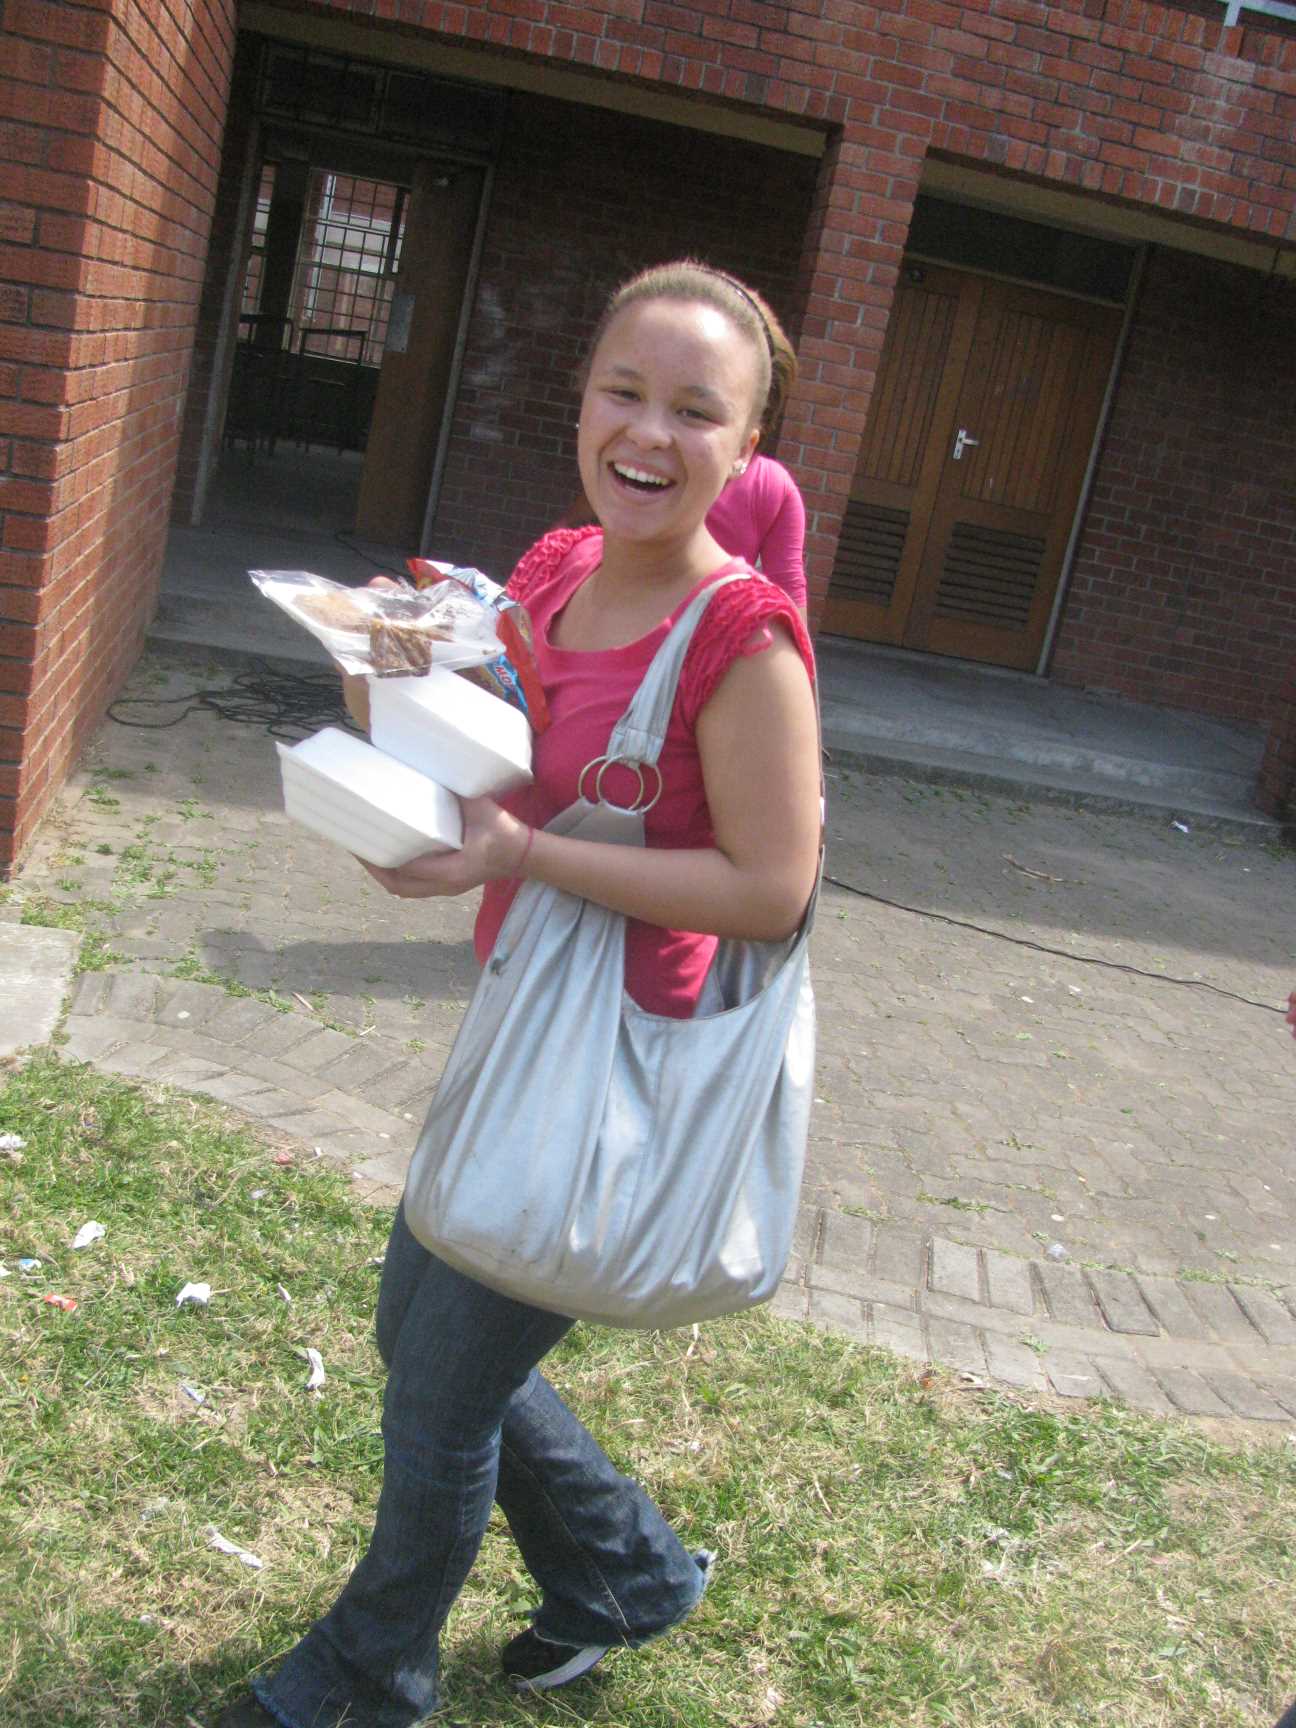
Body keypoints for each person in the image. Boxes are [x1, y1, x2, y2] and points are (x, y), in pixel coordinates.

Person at [215, 260, 820, 1728]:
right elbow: (480, 744)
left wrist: (523, 854)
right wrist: (380, 664)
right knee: (417, 1330)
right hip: (525, 1008)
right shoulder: (553, 573)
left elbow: (771, 889)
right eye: (626, 391)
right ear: (583, 401)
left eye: (697, 410)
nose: (651, 433)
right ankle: (626, 1573)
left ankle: (366, 1677)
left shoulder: (742, 643)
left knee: (437, 1391)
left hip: (622, 1056)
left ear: (747, 445)